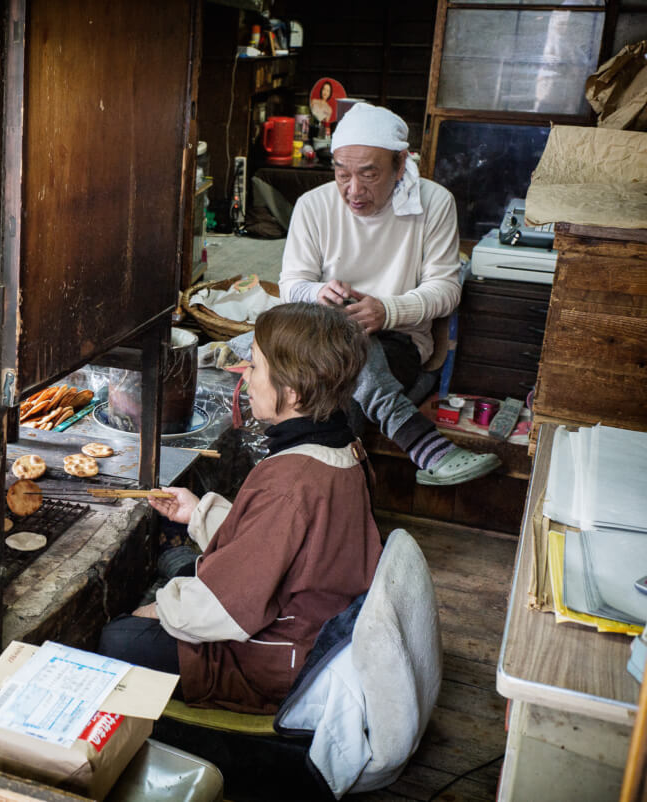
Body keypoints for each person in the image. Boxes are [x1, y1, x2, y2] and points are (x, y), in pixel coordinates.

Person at [97, 303, 382, 714]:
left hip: (280, 658)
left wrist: (158, 610)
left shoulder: (292, 482)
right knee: (181, 566)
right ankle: (176, 571)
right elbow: (282, 543)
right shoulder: (341, 445)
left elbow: (226, 607)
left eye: (255, 366)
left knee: (121, 638)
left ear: (293, 391)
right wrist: (199, 513)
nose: (245, 375)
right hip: (313, 614)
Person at [280, 101, 500, 486]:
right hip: (327, 336)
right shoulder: (312, 206)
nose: (353, 190)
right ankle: (425, 447)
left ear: (400, 165)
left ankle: (329, 515)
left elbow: (447, 289)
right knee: (328, 352)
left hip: (400, 339)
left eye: (369, 175)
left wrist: (387, 310)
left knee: (341, 386)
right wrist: (319, 293)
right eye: (342, 173)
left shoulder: (433, 203)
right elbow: (291, 286)